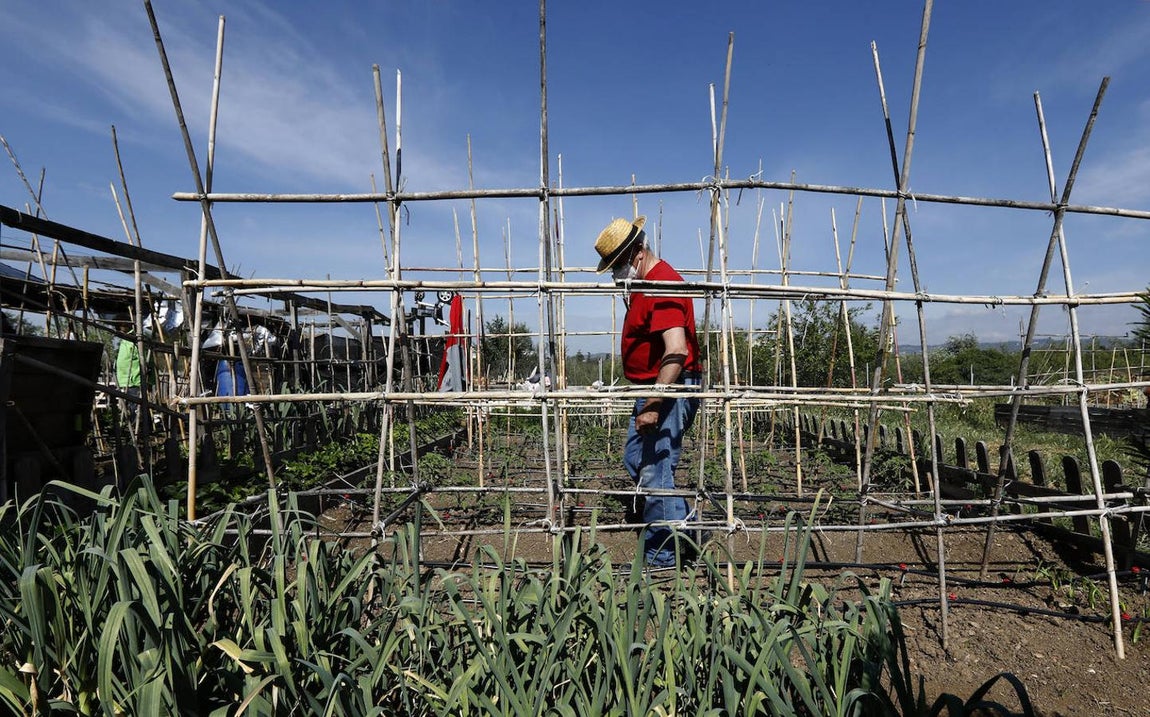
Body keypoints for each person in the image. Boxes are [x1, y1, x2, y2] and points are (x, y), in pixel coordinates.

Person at [594, 215, 703, 567]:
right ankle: (687, 525)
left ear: (638, 252)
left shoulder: (663, 284)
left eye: (617, 265)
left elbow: (677, 350)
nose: (616, 274)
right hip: (652, 385)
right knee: (636, 458)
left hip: (669, 385)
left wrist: (655, 402)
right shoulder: (644, 283)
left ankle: (662, 556)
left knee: (656, 468)